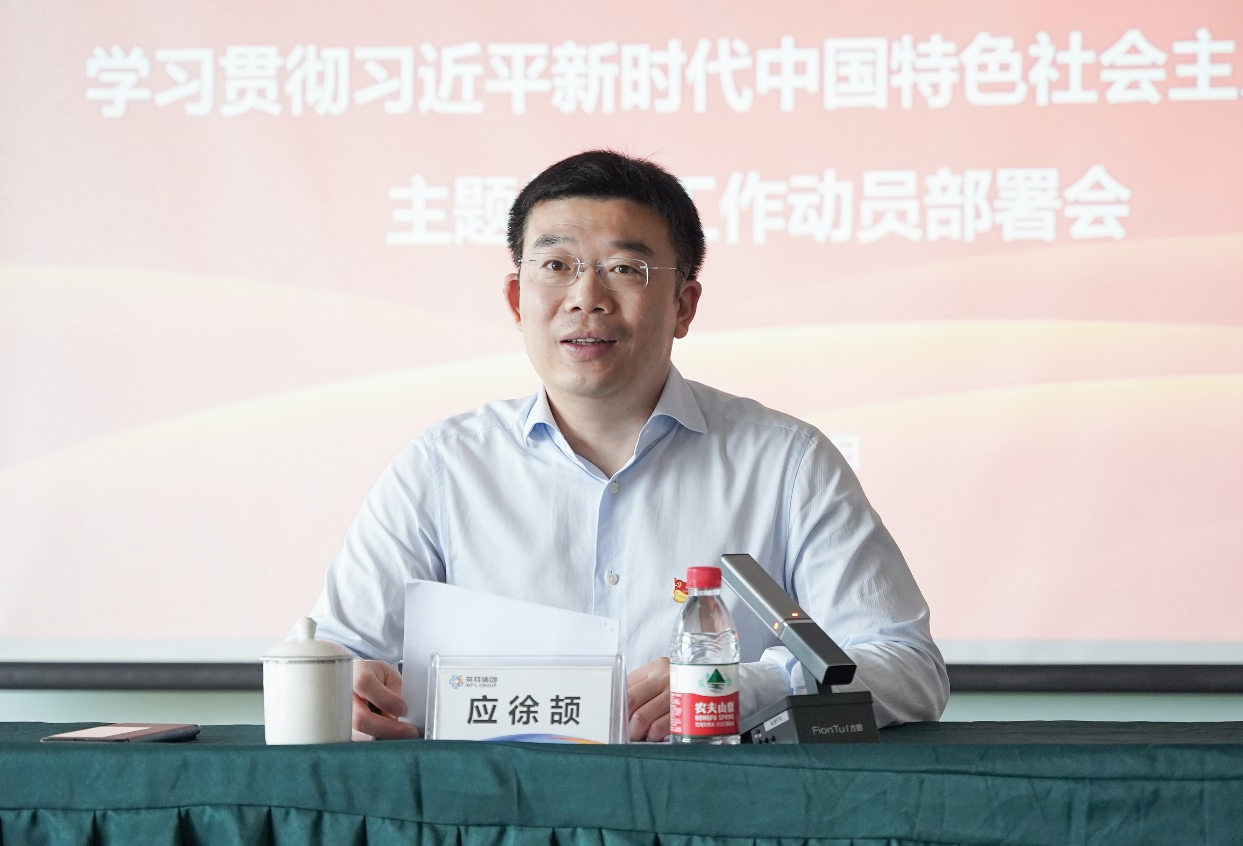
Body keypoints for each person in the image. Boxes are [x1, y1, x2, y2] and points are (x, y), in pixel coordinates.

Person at [310, 150, 949, 741]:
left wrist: (734, 687)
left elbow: (907, 667)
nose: (586, 298)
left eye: (624, 269)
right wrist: (347, 686)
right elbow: (334, 655)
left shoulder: (786, 463)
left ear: (683, 305)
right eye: (556, 266)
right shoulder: (442, 467)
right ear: (516, 299)